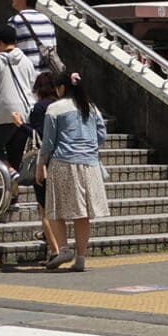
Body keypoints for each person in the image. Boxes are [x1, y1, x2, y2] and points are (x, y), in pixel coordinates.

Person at [31, 65, 110, 270]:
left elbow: (48, 142)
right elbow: (101, 134)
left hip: (63, 163)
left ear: (62, 88)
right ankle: (81, 257)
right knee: (82, 212)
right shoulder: (90, 107)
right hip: (90, 164)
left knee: (56, 207)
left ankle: (64, 249)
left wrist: (40, 165)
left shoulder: (55, 109)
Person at [0, 27, 35, 227]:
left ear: (0, 43)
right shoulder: (28, 62)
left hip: (3, 114)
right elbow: (31, 87)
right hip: (24, 114)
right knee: (15, 156)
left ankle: (11, 176)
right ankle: (14, 197)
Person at [7, 0, 58, 73]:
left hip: (25, 78)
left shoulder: (15, 21)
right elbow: (54, 50)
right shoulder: (47, 20)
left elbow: (8, 50)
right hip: (46, 81)